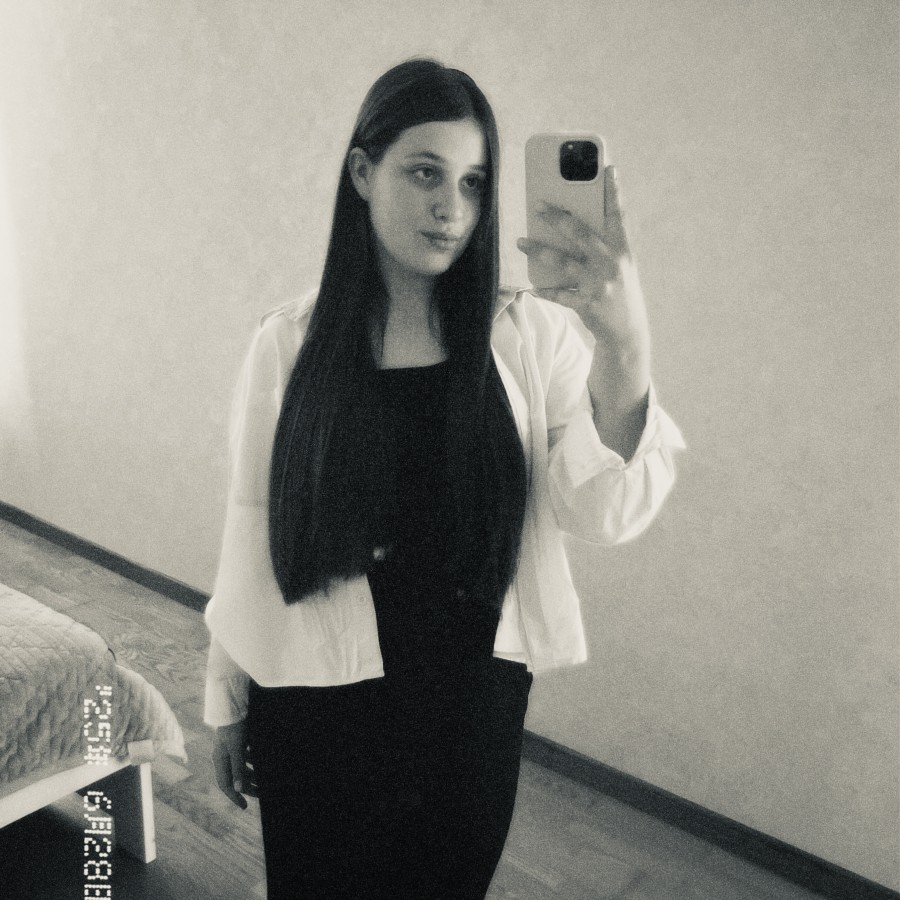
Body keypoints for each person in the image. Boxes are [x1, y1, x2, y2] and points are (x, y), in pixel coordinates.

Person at [203, 58, 685, 900]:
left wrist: (626, 342)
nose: (451, 207)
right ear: (363, 172)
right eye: (425, 173)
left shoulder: (531, 338)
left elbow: (603, 511)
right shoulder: (288, 342)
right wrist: (227, 696)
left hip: (470, 713)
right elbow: (250, 524)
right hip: (316, 701)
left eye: (473, 182)